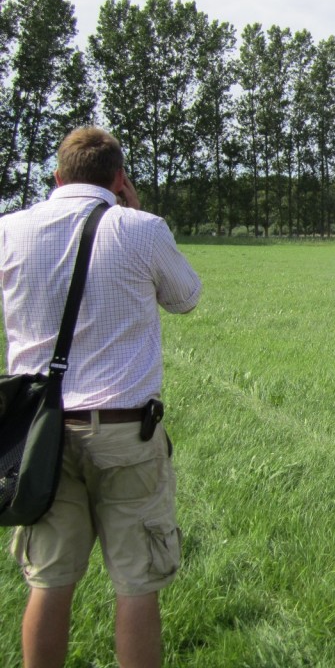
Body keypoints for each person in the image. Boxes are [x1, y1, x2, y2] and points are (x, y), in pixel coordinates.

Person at [1, 127, 201, 667]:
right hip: (123, 429)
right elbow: (185, 298)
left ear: (58, 177)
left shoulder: (9, 230)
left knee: (48, 579)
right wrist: (135, 211)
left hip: (36, 434)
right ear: (118, 179)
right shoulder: (140, 228)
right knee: (137, 583)